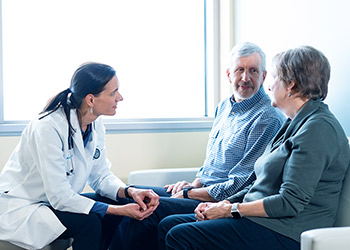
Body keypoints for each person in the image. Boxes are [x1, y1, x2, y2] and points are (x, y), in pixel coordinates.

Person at [157, 46, 350, 250]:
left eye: (274, 77)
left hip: (287, 231)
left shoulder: (318, 129)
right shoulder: (293, 123)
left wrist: (230, 209)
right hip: (260, 219)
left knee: (180, 236)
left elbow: (289, 202)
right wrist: (221, 205)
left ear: (290, 85)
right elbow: (259, 184)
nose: (268, 87)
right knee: (168, 225)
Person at [112, 42, 285, 250]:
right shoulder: (223, 107)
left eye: (253, 71)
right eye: (240, 70)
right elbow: (211, 164)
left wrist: (189, 194)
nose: (245, 78)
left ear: (264, 76)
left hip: (222, 202)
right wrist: (193, 185)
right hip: (200, 191)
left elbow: (242, 182)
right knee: (134, 196)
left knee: (148, 207)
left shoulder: (266, 118)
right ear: (229, 74)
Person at [0, 62, 159, 250]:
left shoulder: (95, 124)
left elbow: (101, 176)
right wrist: (117, 211)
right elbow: (59, 196)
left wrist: (130, 191)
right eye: (113, 93)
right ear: (90, 100)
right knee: (90, 222)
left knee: (118, 201)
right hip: (25, 206)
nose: (120, 98)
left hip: (53, 202)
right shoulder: (48, 126)